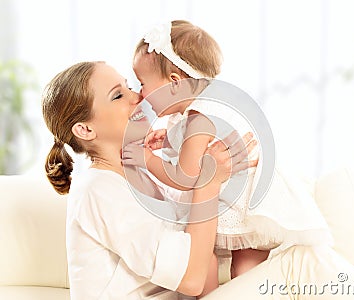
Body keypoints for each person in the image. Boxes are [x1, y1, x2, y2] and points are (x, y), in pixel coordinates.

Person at [123, 20, 332, 295]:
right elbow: (196, 149)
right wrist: (169, 140)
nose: (139, 94)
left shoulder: (199, 118)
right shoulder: (209, 104)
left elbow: (186, 177)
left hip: (241, 204)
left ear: (174, 83)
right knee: (245, 273)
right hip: (258, 205)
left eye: (142, 83)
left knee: (202, 257)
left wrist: (146, 158)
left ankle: (209, 296)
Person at [42, 61, 258, 299]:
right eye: (117, 95)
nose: (137, 97)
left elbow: (198, 233)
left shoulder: (139, 172)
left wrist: (211, 163)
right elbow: (192, 277)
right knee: (298, 263)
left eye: (129, 86)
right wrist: (209, 181)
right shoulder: (97, 189)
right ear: (85, 130)